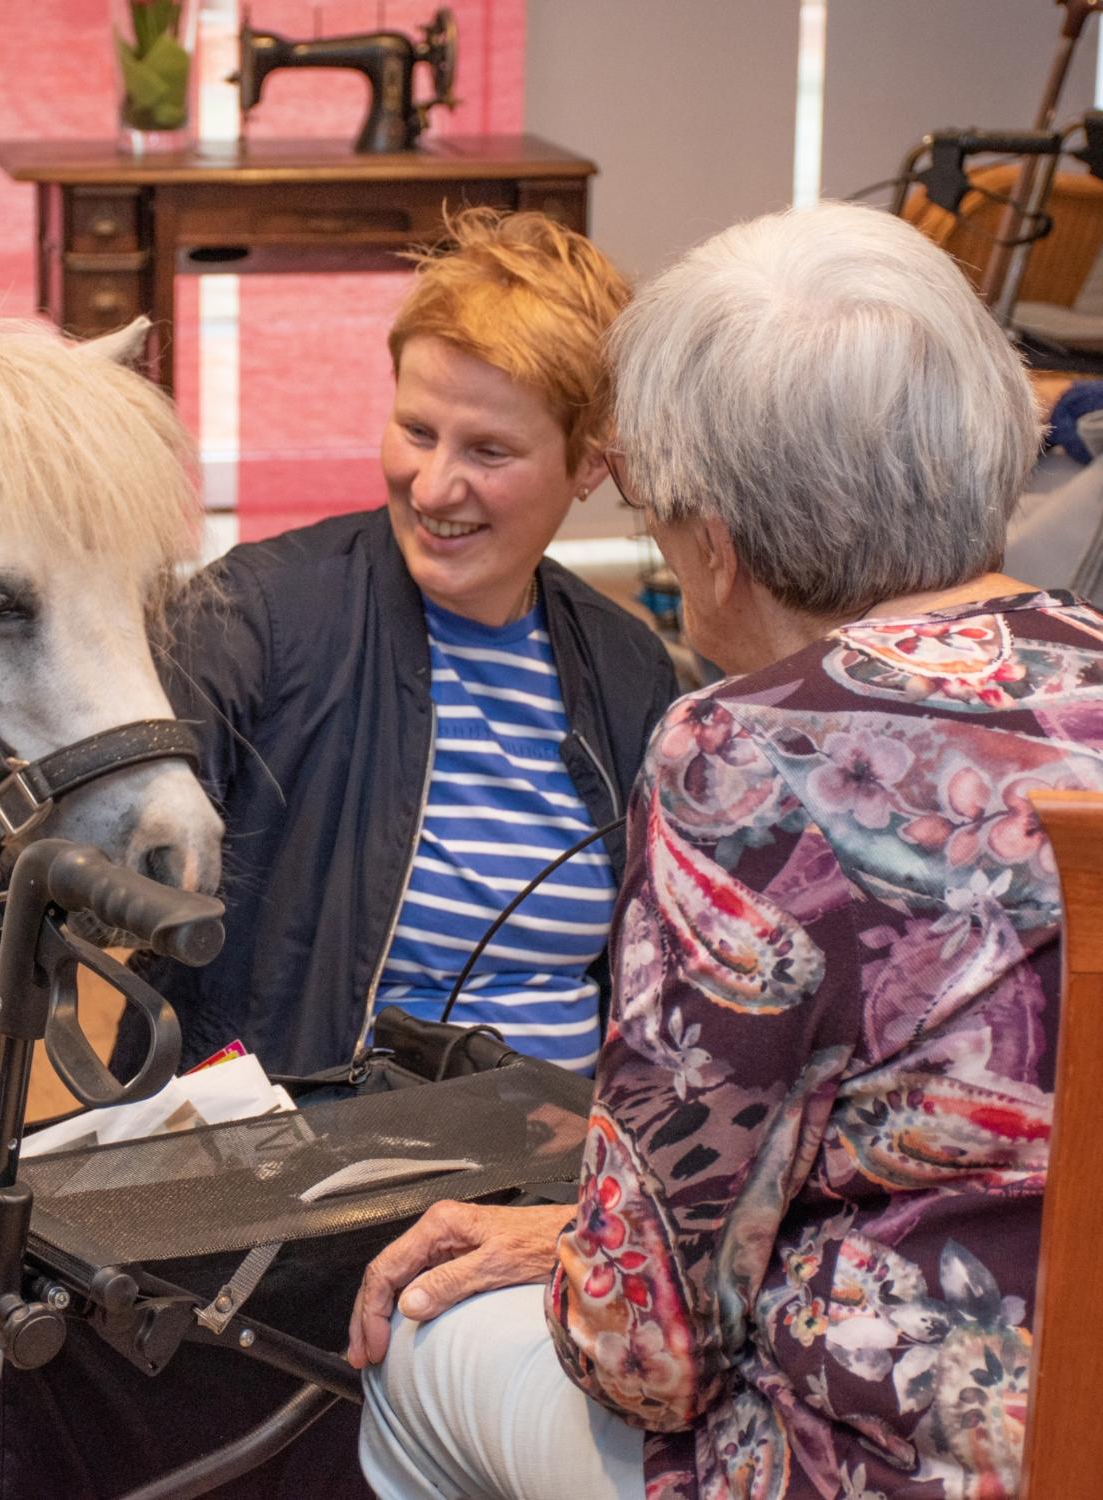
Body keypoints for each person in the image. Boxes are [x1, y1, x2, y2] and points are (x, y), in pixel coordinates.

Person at [0, 211, 680, 1500]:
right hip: (315, 1182)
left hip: (548, 1173)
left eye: (490, 451)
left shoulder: (624, 668)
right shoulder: (263, 613)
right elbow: (81, 838)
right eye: (417, 429)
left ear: (591, 462)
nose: (435, 484)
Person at [350, 200, 1078, 1500]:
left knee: (422, 1348)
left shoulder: (748, 753)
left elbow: (643, 1355)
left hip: (900, 1461)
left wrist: (602, 1253)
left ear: (719, 547)